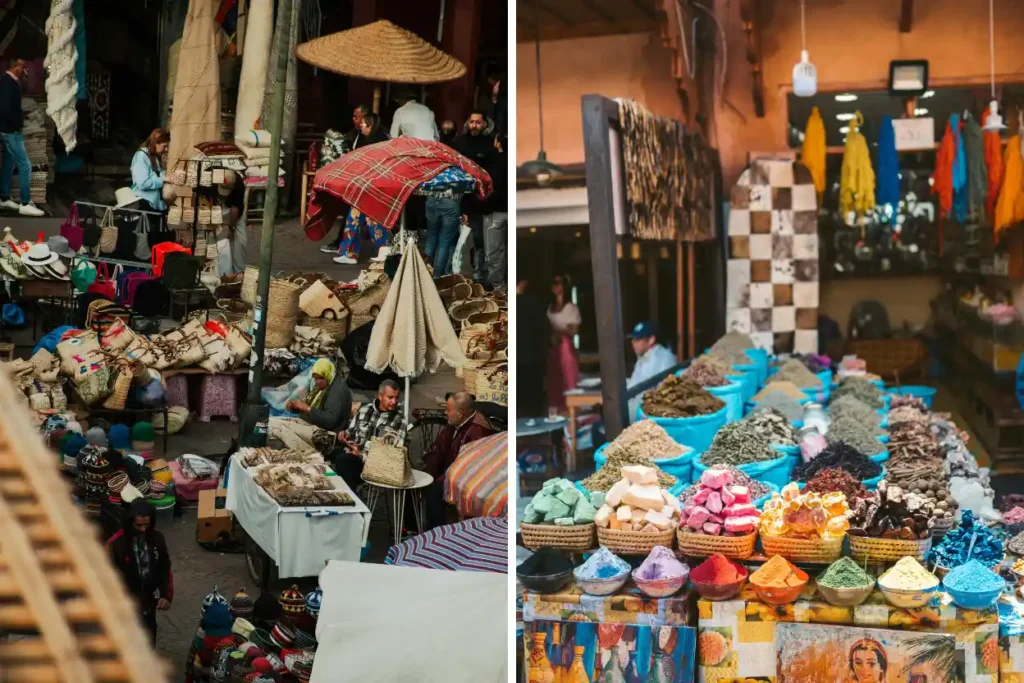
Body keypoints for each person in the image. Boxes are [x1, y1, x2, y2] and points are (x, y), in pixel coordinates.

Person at [423, 392, 495, 528]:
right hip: (449, 472)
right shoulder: (454, 423)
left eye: (448, 410)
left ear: (460, 413)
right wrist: (428, 473)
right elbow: (440, 449)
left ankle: (436, 531)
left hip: (466, 479)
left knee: (435, 493)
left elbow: (468, 467)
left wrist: (440, 481)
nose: (445, 412)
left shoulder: (477, 431)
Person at [107, 498, 172, 646]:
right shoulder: (116, 543)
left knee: (148, 638)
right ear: (130, 521)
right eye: (138, 525)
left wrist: (165, 595)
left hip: (148, 599)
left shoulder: (157, 539)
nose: (143, 529)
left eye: (146, 525)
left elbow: (164, 567)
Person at [332, 379, 408, 492]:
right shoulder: (364, 410)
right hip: (354, 456)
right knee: (330, 453)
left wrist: (361, 453)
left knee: (344, 461)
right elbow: (352, 431)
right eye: (390, 397)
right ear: (380, 396)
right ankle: (345, 494)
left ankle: (350, 497)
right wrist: (345, 435)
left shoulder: (400, 420)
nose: (394, 401)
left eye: (396, 398)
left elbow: (392, 451)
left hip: (376, 464)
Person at [269, 358, 352, 451]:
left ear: (328, 374)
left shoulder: (337, 391)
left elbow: (330, 420)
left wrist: (307, 408)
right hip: (315, 425)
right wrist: (296, 407)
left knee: (279, 429)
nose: (317, 382)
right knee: (272, 422)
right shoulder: (326, 385)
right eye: (315, 378)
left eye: (321, 378)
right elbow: (314, 408)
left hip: (328, 435)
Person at [454, 110, 498, 286]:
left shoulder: (490, 144)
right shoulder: (459, 143)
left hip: (481, 200)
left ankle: (480, 278)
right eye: (471, 122)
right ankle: (455, 277)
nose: (474, 125)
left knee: (480, 242)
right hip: (460, 198)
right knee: (457, 243)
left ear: (485, 124)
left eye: (478, 122)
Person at [321, 105, 372, 254]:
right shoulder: (355, 134)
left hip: (363, 181)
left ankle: (348, 250)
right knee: (353, 216)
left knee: (355, 217)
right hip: (356, 179)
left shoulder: (370, 138)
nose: (354, 120)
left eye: (357, 117)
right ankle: (346, 248)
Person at [0, 59, 43, 216]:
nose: (24, 70)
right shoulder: (6, 82)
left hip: (9, 130)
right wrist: (14, 126)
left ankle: (4, 198)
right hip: (11, 131)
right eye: (22, 67)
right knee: (25, 165)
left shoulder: (11, 82)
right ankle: (25, 203)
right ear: (15, 66)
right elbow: (4, 108)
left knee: (9, 163)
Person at [626, 321, 678, 421]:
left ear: (651, 340)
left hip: (647, 414)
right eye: (633, 339)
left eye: (638, 339)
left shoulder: (663, 358)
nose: (633, 342)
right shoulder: (643, 355)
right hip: (635, 406)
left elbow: (662, 393)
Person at [546, 274, 581, 413]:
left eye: (559, 283)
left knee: (568, 377)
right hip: (553, 346)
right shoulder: (549, 307)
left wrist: (559, 333)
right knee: (554, 380)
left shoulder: (571, 308)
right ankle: (555, 412)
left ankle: (571, 411)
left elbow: (574, 330)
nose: (556, 286)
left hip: (565, 346)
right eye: (553, 283)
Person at [517, 279, 550, 417]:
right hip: (533, 358)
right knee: (532, 402)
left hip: (515, 357)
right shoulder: (534, 304)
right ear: (524, 283)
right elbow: (544, 331)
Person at [483, 134, 508, 291]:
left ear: (498, 144)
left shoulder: (494, 162)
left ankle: (499, 289)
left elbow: (491, 189)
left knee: (495, 253)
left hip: (495, 212)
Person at [130, 129, 170, 211]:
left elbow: (158, 174)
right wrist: (163, 180)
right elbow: (143, 183)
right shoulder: (141, 156)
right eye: (164, 146)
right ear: (156, 144)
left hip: (156, 204)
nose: (166, 149)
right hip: (145, 203)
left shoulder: (154, 157)